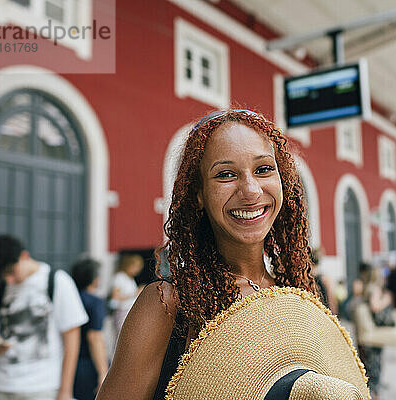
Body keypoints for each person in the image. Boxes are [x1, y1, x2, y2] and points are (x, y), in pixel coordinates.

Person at [96, 110, 323, 399]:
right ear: (199, 195)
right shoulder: (167, 305)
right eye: (226, 174)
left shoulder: (297, 294)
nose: (251, 191)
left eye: (264, 169)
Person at [0, 234, 88, 400]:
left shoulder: (57, 281)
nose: (9, 280)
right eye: (3, 275)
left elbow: (72, 341)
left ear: (24, 256)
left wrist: (65, 391)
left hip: (43, 388)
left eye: (11, 272)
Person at [71, 259, 109, 400]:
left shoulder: (70, 299)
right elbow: (95, 338)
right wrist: (103, 372)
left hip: (68, 362)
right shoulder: (95, 302)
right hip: (88, 364)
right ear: (94, 279)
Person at [356, 264, 393, 400]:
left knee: (367, 366)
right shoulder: (375, 289)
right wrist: (386, 300)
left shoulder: (365, 288)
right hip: (374, 334)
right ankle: (374, 395)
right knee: (374, 366)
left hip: (365, 333)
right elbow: (375, 306)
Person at [109, 254, 144, 340]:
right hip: (122, 311)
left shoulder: (130, 278)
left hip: (129, 311)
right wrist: (135, 293)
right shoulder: (120, 277)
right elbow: (115, 296)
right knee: (122, 338)